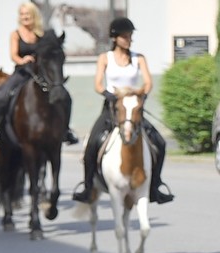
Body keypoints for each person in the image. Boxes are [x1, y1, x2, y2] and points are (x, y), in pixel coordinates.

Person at [72, 17, 174, 206]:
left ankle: (155, 186)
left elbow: (148, 82)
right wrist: (107, 94)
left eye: (130, 36)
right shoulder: (105, 58)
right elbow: (97, 84)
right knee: (92, 143)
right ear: (114, 38)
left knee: (159, 143)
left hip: (133, 109)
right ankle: (87, 187)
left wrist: (141, 93)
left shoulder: (138, 58)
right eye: (125, 36)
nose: (128, 39)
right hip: (112, 108)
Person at [0, 2, 78, 147]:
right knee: (1, 96)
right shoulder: (15, 34)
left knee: (65, 96)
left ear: (33, 15)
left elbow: (51, 53)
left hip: (41, 74)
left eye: (27, 14)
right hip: (22, 72)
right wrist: (23, 60)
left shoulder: (43, 34)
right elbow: (13, 55)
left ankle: (65, 130)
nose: (24, 17)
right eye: (22, 14)